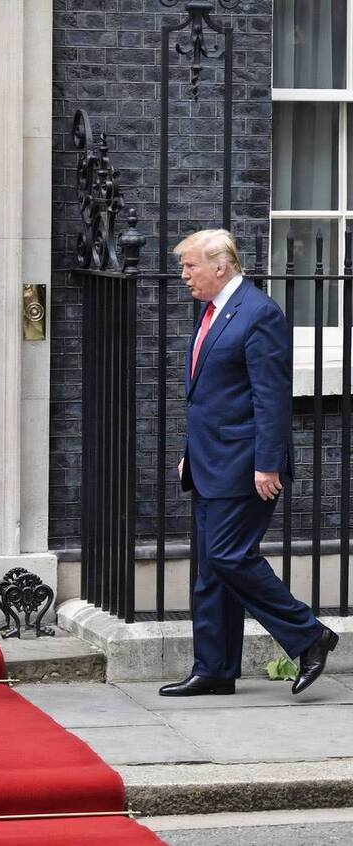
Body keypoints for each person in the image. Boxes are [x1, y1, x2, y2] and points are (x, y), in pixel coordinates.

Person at [159, 229, 338, 698]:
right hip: (209, 460)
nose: (184, 276)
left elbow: (271, 397)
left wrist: (268, 464)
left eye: (190, 266)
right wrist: (189, 452)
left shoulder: (259, 314)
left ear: (220, 266)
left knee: (228, 555)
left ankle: (309, 634)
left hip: (246, 465)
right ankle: (215, 668)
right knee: (210, 569)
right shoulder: (213, 310)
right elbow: (210, 395)